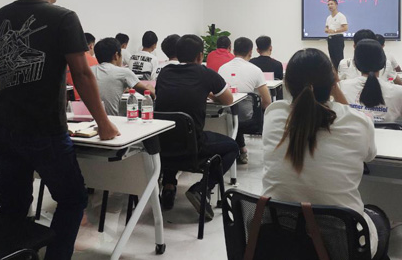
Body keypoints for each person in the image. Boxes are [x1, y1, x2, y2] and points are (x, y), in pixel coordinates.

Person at [0, 0, 119, 260]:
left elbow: (6, 69)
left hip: (3, 125)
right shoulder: (63, 17)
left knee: (14, 202)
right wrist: (103, 122)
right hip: (43, 128)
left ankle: (13, 254)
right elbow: (82, 73)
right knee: (73, 199)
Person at [262, 48, 390, 259]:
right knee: (378, 219)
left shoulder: (274, 113)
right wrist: (334, 87)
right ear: (333, 83)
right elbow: (369, 156)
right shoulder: (358, 121)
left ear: (286, 84)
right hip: (340, 245)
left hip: (278, 240)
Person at [155, 35, 238, 219]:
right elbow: (228, 100)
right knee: (232, 147)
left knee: (173, 130)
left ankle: (168, 186)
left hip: (161, 146)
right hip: (192, 148)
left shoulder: (165, 72)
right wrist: (209, 93)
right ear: (200, 56)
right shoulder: (205, 73)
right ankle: (202, 188)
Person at [219, 37, 272, 164]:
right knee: (243, 110)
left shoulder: (222, 69)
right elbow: (267, 101)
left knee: (234, 111)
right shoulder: (255, 70)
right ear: (250, 52)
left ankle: (241, 149)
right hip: (247, 117)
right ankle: (243, 149)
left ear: (233, 51)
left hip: (224, 117)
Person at [340, 40, 402, 124]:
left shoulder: (341, 87)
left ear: (355, 63)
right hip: (386, 133)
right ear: (383, 63)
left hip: (353, 132)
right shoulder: (399, 92)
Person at [91, 38, 156, 116]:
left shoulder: (89, 71)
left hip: (88, 120)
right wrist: (150, 88)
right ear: (116, 55)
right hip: (111, 120)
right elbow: (149, 95)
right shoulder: (124, 72)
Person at [66, 32, 98, 100]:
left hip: (68, 99)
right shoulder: (95, 62)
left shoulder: (68, 60)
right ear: (91, 46)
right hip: (86, 100)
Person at [325, 0, 348, 70]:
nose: (330, 6)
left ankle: (341, 74)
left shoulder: (341, 16)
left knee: (339, 59)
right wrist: (327, 30)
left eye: (331, 4)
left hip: (338, 39)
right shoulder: (328, 18)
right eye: (328, 4)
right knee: (332, 59)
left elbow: (345, 28)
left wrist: (334, 31)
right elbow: (326, 28)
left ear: (336, 5)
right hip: (330, 39)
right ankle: (335, 74)